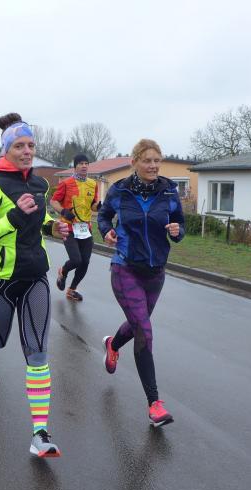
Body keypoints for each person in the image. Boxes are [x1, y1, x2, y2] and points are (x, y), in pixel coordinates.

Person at [0, 113, 69, 458]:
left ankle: (40, 434)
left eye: (31, 145)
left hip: (35, 275)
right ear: (7, 150)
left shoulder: (39, 184)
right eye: (20, 146)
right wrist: (12, 217)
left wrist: (52, 227)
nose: (27, 151)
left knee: (38, 352)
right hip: (0, 279)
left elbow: (39, 219)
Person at [97, 138, 185, 428]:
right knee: (144, 331)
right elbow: (104, 216)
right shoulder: (120, 190)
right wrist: (107, 231)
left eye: (157, 161)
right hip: (125, 267)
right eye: (147, 161)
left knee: (139, 323)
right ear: (134, 162)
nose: (153, 166)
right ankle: (154, 404)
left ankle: (113, 344)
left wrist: (177, 231)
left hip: (155, 271)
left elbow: (180, 225)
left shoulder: (169, 191)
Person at [50, 154, 100, 302]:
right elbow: (54, 201)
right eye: (81, 163)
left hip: (85, 228)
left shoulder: (93, 184)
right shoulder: (66, 183)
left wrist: (98, 206)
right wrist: (63, 211)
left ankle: (72, 290)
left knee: (85, 262)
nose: (84, 166)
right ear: (75, 166)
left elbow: (93, 205)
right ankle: (63, 272)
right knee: (76, 260)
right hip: (69, 228)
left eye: (86, 163)